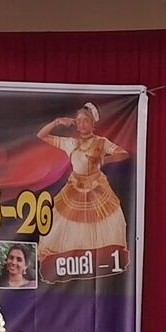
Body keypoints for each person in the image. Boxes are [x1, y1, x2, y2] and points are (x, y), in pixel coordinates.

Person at [36, 102, 133, 271]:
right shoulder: (70, 143)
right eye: (78, 120)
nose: (81, 124)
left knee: (109, 222)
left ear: (92, 123)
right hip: (75, 187)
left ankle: (98, 261)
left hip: (97, 187)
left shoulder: (101, 142)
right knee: (63, 225)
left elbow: (123, 153)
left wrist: (106, 159)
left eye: (85, 120)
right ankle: (70, 263)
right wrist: (57, 122)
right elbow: (41, 135)